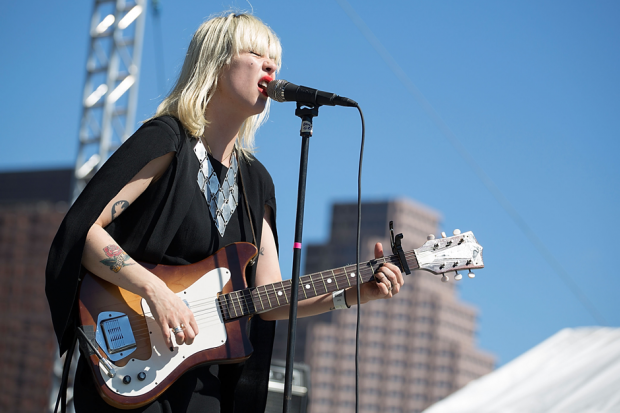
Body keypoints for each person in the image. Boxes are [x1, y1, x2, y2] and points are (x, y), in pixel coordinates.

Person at [45, 11, 403, 413]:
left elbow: (268, 299)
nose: (271, 67)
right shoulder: (166, 140)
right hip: (135, 362)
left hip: (207, 385)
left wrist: (354, 294)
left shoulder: (256, 181)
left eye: (276, 62)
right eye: (256, 54)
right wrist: (156, 291)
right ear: (215, 61)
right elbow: (84, 229)